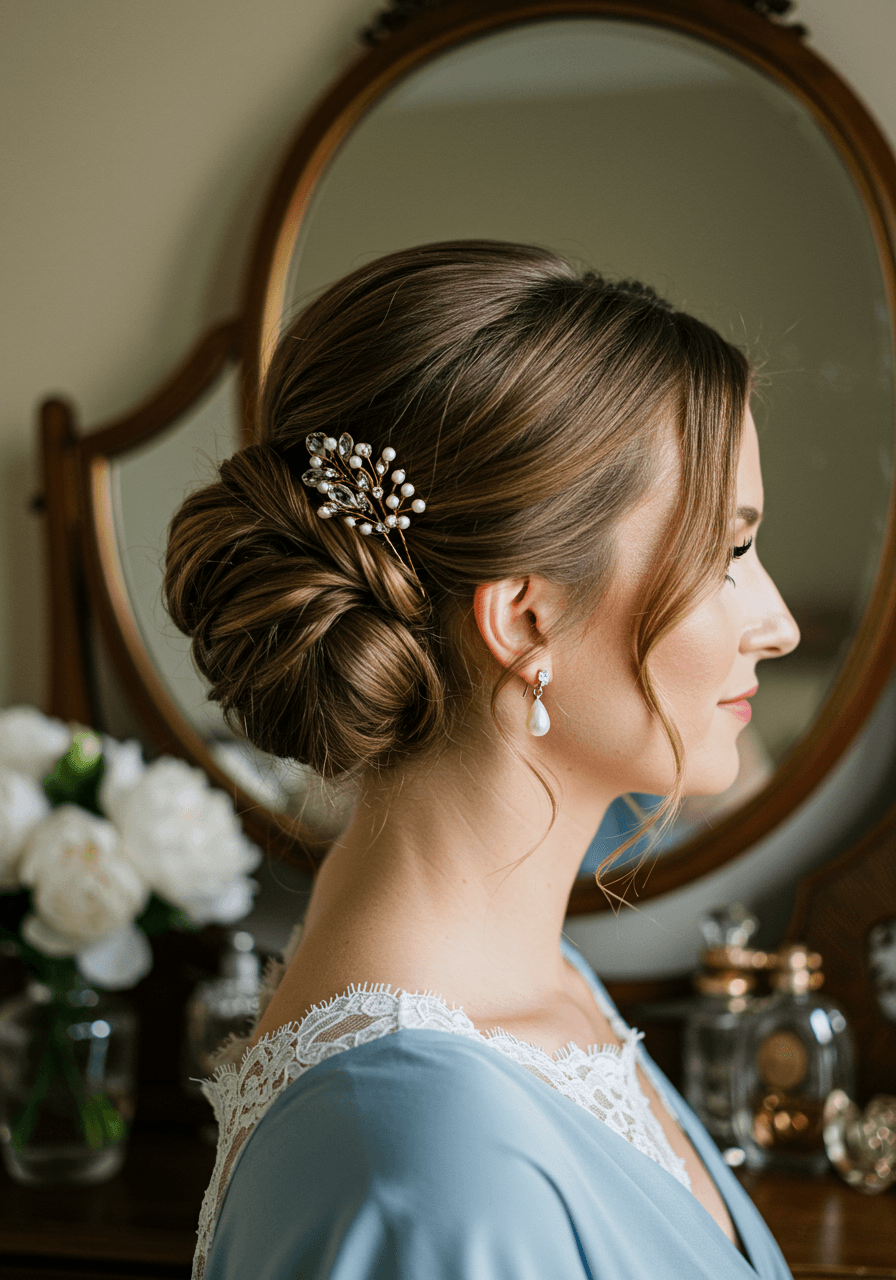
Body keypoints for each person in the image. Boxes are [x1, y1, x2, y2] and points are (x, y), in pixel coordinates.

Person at [165, 241, 800, 1279]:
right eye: (726, 554)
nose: (776, 624)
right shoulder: (427, 1165)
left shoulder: (532, 980)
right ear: (525, 616)